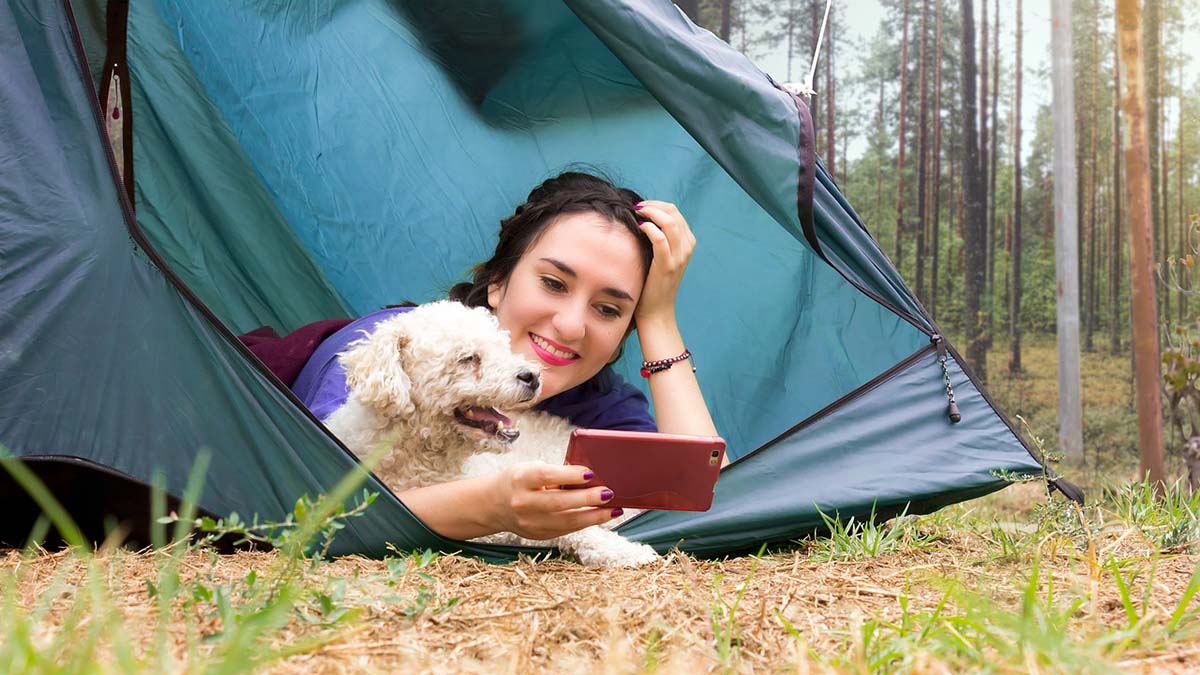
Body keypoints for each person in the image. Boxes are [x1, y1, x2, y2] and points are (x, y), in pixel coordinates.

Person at [292, 171, 719, 541]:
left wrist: (659, 317)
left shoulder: (599, 405)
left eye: (609, 310)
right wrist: (490, 506)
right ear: (498, 282)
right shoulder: (401, 350)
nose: (571, 325)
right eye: (553, 283)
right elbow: (308, 504)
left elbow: (711, 502)